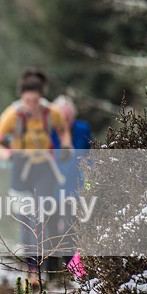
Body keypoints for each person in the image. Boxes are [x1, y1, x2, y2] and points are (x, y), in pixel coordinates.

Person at [0, 68, 72, 283]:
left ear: (41, 97)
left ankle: (42, 269)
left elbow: (63, 130)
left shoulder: (51, 112)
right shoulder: (11, 115)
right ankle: (31, 269)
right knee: (25, 219)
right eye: (27, 101)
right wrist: (8, 155)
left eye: (35, 101)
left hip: (44, 168)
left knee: (40, 215)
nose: (31, 106)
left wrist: (66, 146)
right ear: (21, 97)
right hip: (20, 168)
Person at [50, 94, 93, 263]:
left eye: (68, 117)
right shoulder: (47, 132)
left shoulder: (82, 129)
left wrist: (90, 180)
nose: (65, 120)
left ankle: (72, 269)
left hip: (74, 186)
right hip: (51, 188)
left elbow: (91, 156)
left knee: (71, 229)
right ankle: (52, 271)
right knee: (51, 231)